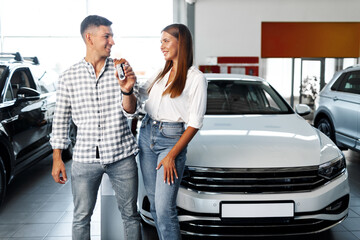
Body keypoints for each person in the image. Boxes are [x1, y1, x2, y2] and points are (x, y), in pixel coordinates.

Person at [50, 15, 141, 240]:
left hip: (122, 155)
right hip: (85, 158)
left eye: (112, 36)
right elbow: (60, 119)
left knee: (131, 215)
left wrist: (127, 90)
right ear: (89, 38)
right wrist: (57, 158)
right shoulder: (69, 77)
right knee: (81, 216)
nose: (112, 42)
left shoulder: (121, 69)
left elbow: (131, 112)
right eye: (106, 36)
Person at [138, 23, 207, 240]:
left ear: (181, 42)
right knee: (155, 207)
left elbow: (194, 123)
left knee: (165, 208)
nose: (161, 46)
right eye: (161, 41)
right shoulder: (160, 72)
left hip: (170, 140)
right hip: (147, 133)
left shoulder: (195, 78)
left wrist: (171, 156)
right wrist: (127, 81)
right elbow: (140, 95)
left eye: (166, 41)